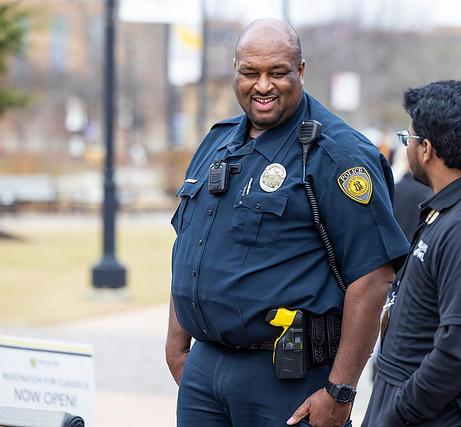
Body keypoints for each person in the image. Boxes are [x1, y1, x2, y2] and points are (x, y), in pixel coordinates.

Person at [164, 18, 409, 427]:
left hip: (286, 377)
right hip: (204, 372)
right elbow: (189, 247)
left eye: (277, 73)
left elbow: (373, 276)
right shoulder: (217, 141)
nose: (262, 85)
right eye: (250, 73)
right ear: (235, 72)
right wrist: (176, 347)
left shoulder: (338, 154)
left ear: (300, 71)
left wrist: (340, 390)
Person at [362, 80, 461, 427]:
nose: (407, 148)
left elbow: (459, 354)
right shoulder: (453, 207)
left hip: (439, 417)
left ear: (426, 149)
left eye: (409, 139)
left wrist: (398, 412)